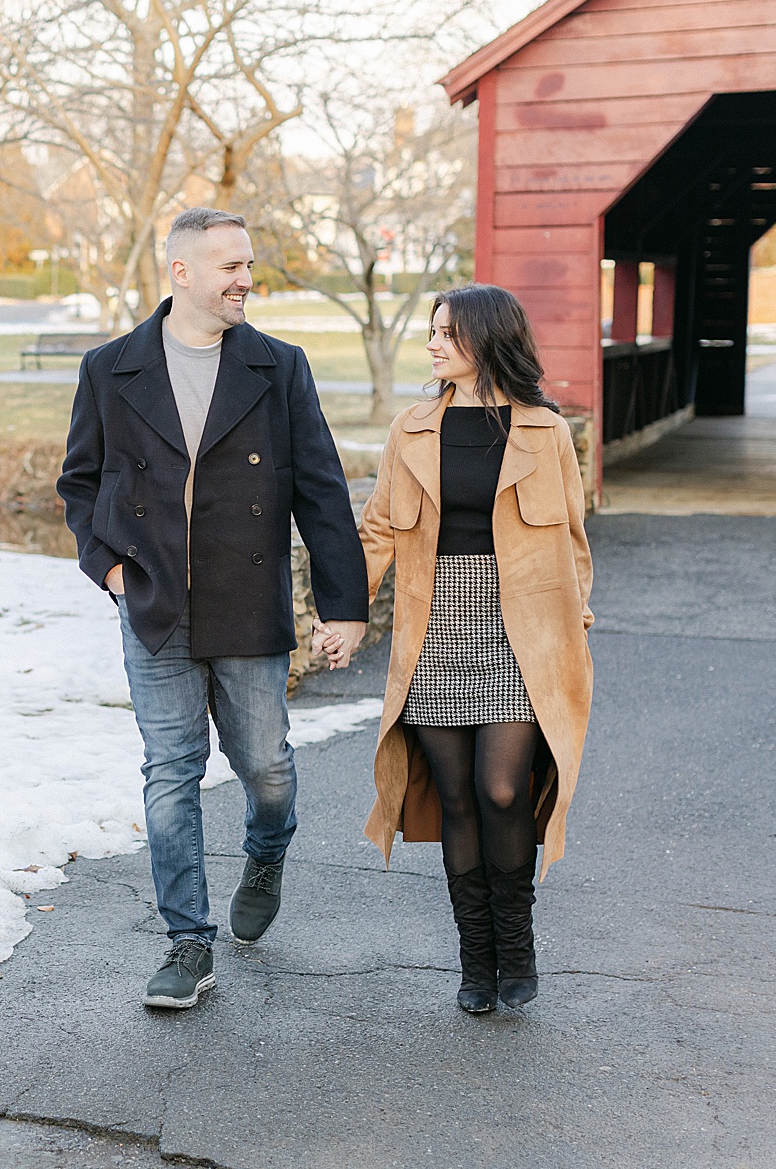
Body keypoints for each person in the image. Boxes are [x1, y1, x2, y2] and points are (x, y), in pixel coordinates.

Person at [58, 207, 368, 1009]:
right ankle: (187, 945)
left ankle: (267, 853)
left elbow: (322, 490)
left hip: (246, 600)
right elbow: (80, 485)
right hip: (154, 603)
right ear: (182, 273)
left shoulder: (278, 365)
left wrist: (346, 605)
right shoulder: (111, 368)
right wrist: (112, 572)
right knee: (171, 774)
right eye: (229, 265)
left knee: (265, 769)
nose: (245, 279)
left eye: (248, 263)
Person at [321, 283, 593, 1014]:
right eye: (432, 332)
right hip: (433, 626)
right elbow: (377, 529)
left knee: (502, 788)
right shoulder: (412, 428)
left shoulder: (544, 431)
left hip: (521, 632)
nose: (434, 344)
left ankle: (518, 950)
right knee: (456, 800)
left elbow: (572, 540)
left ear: (487, 339)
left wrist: (578, 621)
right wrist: (342, 611)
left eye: (447, 333)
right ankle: (477, 963)